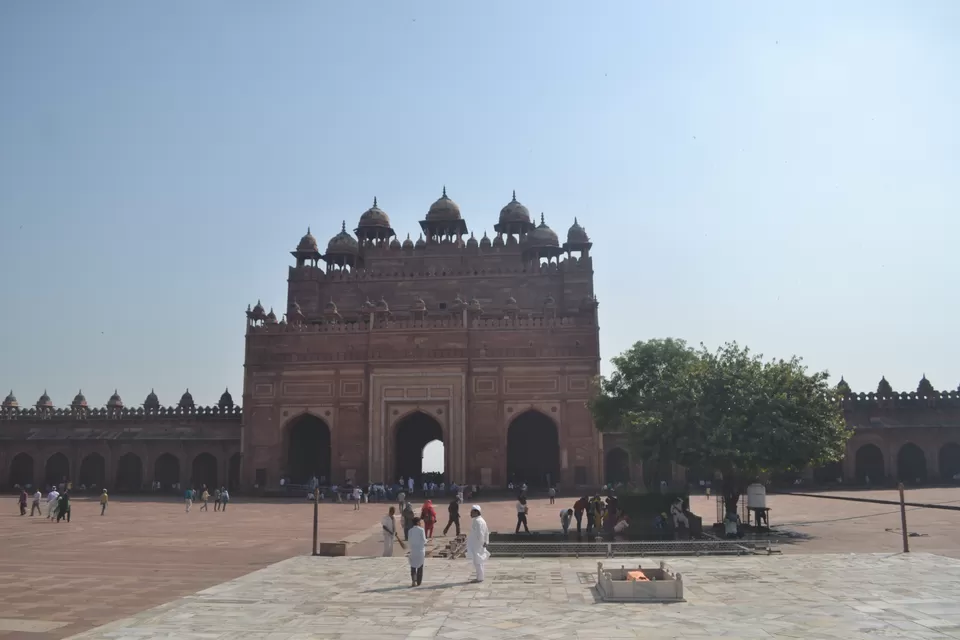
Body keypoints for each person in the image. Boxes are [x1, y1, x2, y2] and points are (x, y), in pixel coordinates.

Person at [466, 505, 490, 583]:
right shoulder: (481, 520)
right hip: (478, 543)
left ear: (476, 512)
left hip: (477, 544)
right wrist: (486, 541)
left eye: (472, 512)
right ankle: (480, 576)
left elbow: (481, 533)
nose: (470, 513)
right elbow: (487, 532)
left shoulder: (478, 521)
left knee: (478, 561)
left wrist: (482, 542)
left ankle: (480, 578)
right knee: (479, 560)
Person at [407, 517, 427, 587]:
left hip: (413, 551)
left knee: (413, 566)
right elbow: (424, 540)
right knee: (420, 566)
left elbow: (409, 541)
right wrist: (426, 542)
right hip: (420, 550)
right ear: (418, 522)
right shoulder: (421, 530)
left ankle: (413, 580)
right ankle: (418, 581)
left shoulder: (410, 531)